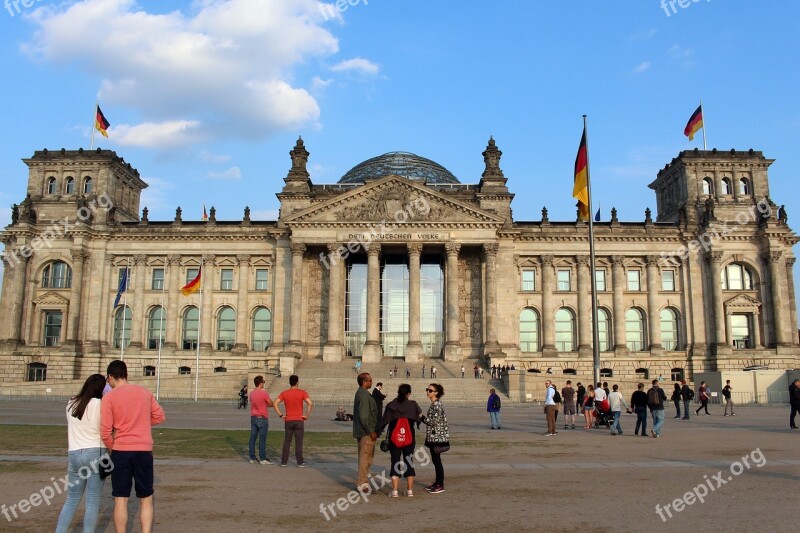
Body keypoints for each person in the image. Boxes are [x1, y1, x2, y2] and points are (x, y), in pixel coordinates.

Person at [100, 360, 165, 533]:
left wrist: (111, 447)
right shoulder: (144, 392)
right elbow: (159, 416)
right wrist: (141, 424)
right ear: (126, 374)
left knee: (120, 498)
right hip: (144, 449)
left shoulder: (109, 398)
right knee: (146, 497)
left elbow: (105, 431)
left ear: (111, 377)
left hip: (121, 449)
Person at [56, 374, 107, 533]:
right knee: (92, 501)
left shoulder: (71, 402)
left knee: (71, 499)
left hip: (75, 453)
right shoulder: (100, 404)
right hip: (95, 452)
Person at [377, 383, 423, 497]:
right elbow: (419, 419)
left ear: (398, 392)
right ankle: (410, 490)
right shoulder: (413, 405)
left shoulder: (391, 405)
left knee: (395, 462)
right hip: (409, 438)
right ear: (409, 394)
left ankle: (395, 491)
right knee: (409, 462)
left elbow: (383, 422)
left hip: (394, 438)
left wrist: (377, 432)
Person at [274, 375, 312, 467]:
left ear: (290, 382)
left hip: (289, 419)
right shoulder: (302, 392)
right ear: (297, 382)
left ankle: (284, 461)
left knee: (287, 441)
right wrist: (306, 415)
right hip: (299, 419)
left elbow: (275, 404)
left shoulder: (284, 393)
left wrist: (281, 415)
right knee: (298, 442)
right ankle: (300, 461)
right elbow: (310, 403)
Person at [353, 373, 379, 491]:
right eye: (370, 380)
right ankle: (362, 484)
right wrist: (371, 431)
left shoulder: (362, 393)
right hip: (366, 432)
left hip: (363, 431)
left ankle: (363, 482)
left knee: (366, 457)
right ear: (364, 382)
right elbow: (364, 416)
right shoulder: (363, 395)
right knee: (365, 458)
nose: (371, 382)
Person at [423, 383, 449, 494]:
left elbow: (433, 422)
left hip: (437, 437)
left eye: (430, 390)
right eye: (427, 390)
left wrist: (421, 417)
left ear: (436, 393)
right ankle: (437, 482)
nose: (428, 392)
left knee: (437, 461)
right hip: (433, 437)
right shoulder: (434, 404)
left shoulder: (437, 405)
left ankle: (440, 484)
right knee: (435, 460)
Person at [249, 375, 273, 465]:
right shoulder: (263, 393)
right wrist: (267, 405)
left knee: (252, 438)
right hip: (262, 417)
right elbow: (270, 403)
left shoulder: (251, 393)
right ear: (260, 383)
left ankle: (252, 458)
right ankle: (262, 458)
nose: (264, 383)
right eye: (263, 382)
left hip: (253, 417)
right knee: (262, 439)